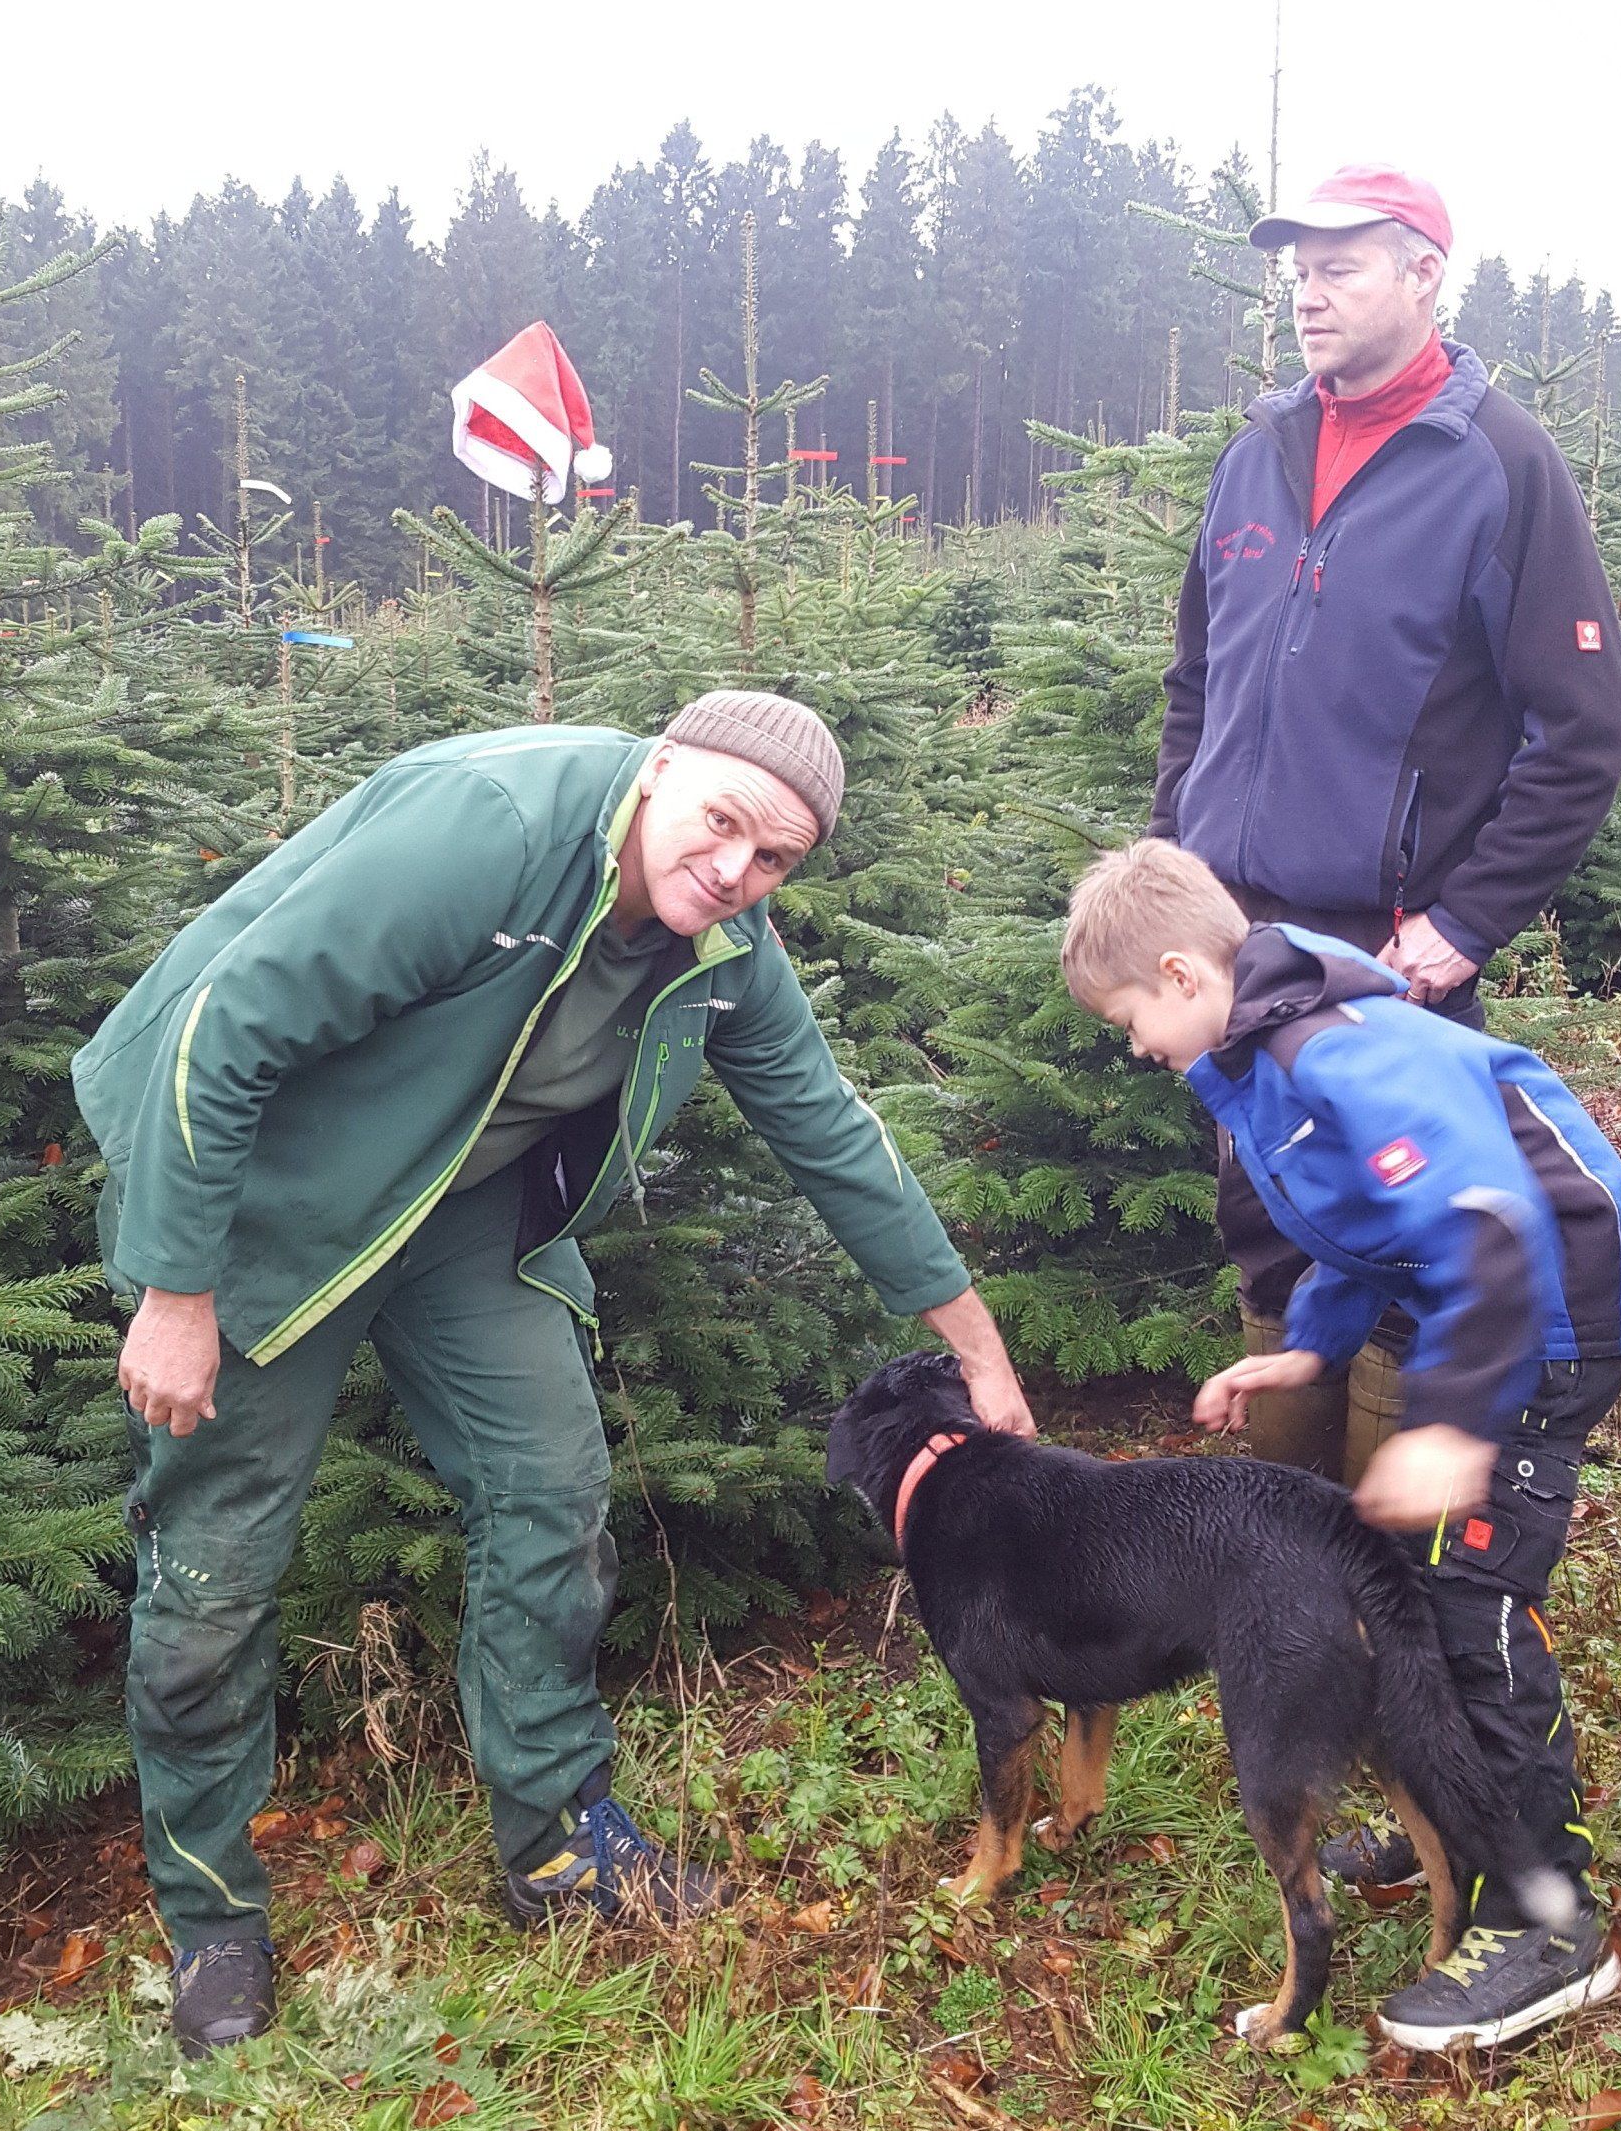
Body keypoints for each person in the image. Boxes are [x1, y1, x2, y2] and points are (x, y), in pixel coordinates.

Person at [74, 692, 1032, 2054]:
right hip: (261, 1204)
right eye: (723, 823)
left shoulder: (720, 947)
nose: (736, 871)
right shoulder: (490, 827)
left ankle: (558, 1842)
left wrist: (979, 1353)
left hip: (460, 1210)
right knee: (218, 1554)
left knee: (550, 1486)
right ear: (659, 769)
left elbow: (832, 1134)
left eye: (777, 860)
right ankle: (214, 1916)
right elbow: (224, 1026)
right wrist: (181, 1289)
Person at [1061, 837, 1621, 2052]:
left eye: (1130, 1016)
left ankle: (1549, 1921)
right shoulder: (1265, 1059)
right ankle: (1451, 1811)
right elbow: (1365, 1234)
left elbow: (1485, 1228)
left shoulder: (1340, 1050)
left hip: (1546, 1328)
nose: (1134, 1045)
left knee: (1473, 1601)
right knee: (1421, 1580)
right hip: (1486, 1316)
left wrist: (1450, 1424)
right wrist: (1306, 1348)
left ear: (1185, 975)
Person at [1150, 164, 1621, 1485]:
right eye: (1297, 268)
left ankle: (1403, 1569)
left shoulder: (1499, 464)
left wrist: (1463, 923)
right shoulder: (1259, 454)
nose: (1308, 291)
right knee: (1270, 1214)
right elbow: (1196, 684)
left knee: (1408, 1223)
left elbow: (1586, 728)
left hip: (1385, 942)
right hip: (1236, 922)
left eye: (1342, 264)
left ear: (1426, 272)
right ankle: (1288, 1560)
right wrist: (1168, 876)